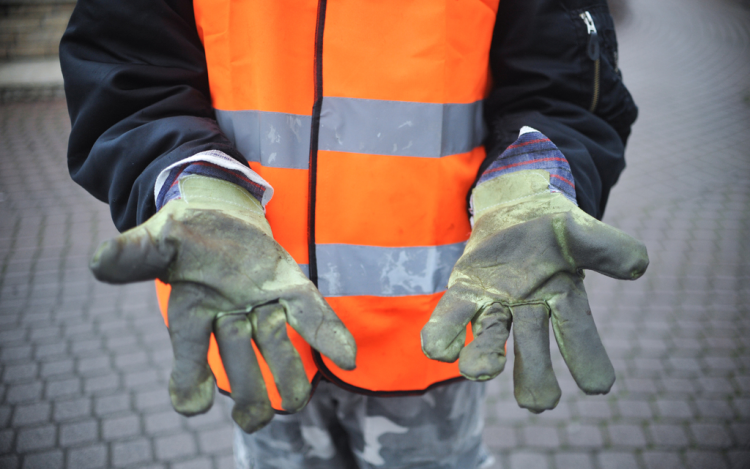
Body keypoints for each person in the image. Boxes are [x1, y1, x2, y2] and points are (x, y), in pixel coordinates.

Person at [60, 0, 648, 467]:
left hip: (429, 333)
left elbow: (565, 84)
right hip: (253, 323)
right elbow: (127, 68)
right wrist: (182, 173)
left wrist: (533, 170)